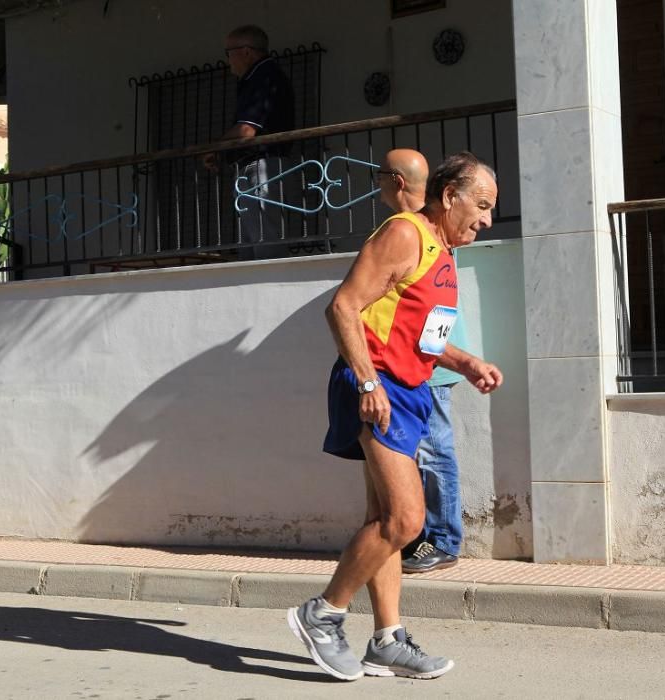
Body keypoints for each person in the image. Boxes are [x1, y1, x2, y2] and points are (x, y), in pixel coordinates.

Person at [287, 152, 503, 682]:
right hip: (376, 386)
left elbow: (428, 338)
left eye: (492, 209)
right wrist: (367, 383)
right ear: (449, 196)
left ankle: (386, 640)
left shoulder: (444, 254)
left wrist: (465, 361)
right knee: (406, 520)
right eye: (481, 205)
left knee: (382, 522)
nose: (488, 219)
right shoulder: (406, 234)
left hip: (409, 390)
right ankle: (323, 614)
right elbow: (342, 307)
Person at [375, 148, 467, 574]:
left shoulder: (428, 229)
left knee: (434, 450)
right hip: (408, 362)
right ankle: (413, 539)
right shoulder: (418, 228)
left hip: (426, 362)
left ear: (395, 181)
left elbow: (437, 307)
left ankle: (443, 541)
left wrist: (442, 357)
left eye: (379, 176)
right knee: (415, 454)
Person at [208, 25, 295, 259]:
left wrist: (214, 147)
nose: (227, 60)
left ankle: (271, 286)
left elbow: (246, 130)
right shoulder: (258, 77)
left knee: (264, 240)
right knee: (252, 240)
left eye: (229, 52)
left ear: (246, 52)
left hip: (263, 165)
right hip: (257, 164)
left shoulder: (264, 77)